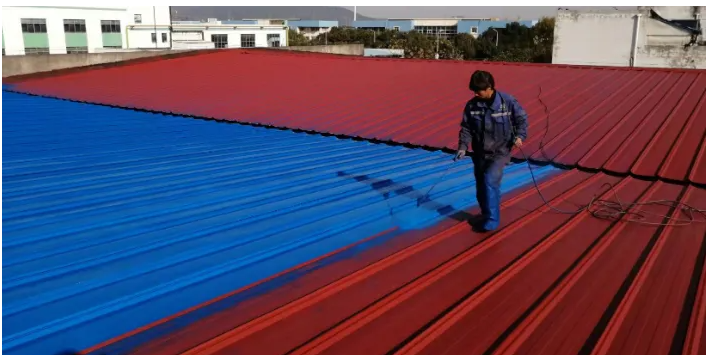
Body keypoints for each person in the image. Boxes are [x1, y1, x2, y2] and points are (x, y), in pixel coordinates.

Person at [455, 70, 528, 232]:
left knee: (490, 180)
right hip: (480, 152)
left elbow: (522, 120)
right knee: (481, 186)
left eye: (478, 90)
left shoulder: (507, 102)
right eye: (473, 90)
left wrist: (520, 136)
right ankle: (485, 213)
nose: (475, 93)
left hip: (500, 152)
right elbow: (466, 128)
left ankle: (492, 221)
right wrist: (462, 147)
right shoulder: (472, 106)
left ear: (489, 88)